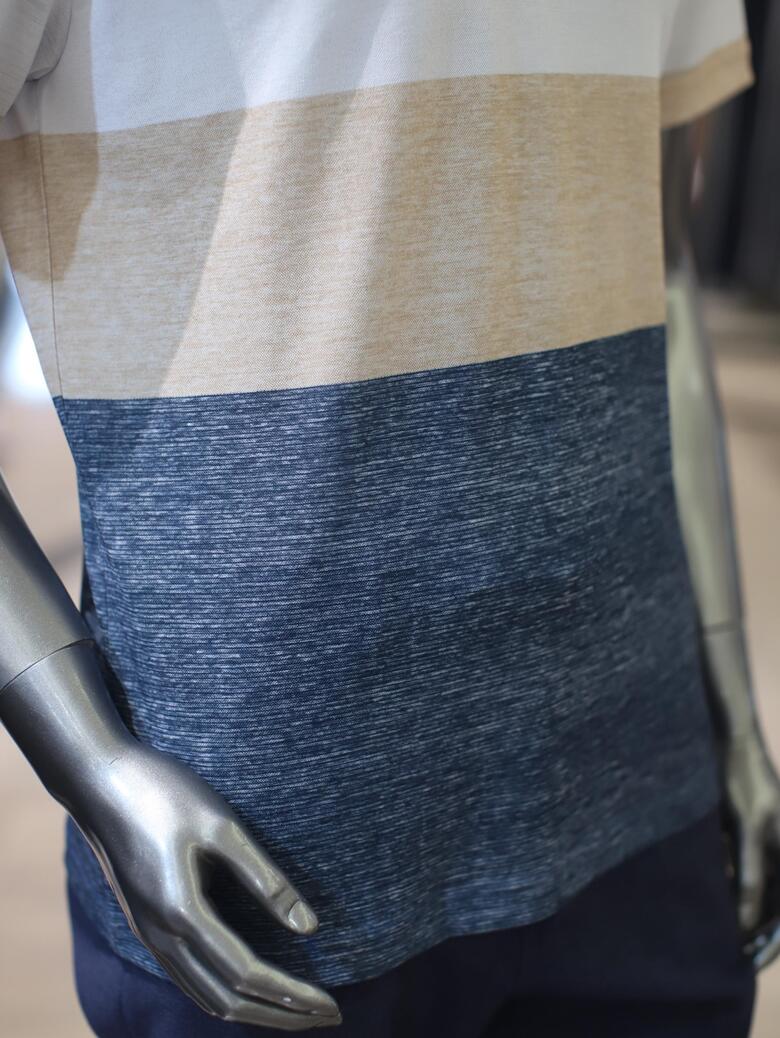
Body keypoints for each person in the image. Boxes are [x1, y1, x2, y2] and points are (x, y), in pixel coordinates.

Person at [0, 2, 775, 1035]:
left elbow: (656, 257)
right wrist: (93, 760)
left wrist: (727, 694)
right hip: (266, 849)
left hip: (641, 776)